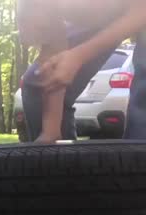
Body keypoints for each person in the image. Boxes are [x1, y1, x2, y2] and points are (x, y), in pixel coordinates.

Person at [18, 0, 146, 142]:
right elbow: (53, 67)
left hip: (137, 9)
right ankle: (63, 161)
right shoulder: (43, 10)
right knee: (36, 82)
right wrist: (50, 132)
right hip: (106, 15)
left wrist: (78, 56)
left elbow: (141, 10)